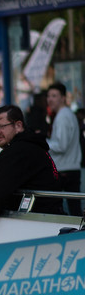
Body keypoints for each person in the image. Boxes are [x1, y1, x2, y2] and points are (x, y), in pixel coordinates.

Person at [0, 104, 64, 246]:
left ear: (18, 126)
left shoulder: (20, 150)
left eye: (2, 126)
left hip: (39, 227)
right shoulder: (18, 148)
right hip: (39, 224)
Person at [46, 82, 82, 215]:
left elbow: (61, 145)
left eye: (54, 96)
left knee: (57, 208)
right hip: (70, 168)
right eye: (49, 96)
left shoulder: (63, 117)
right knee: (74, 209)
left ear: (63, 97)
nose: (50, 99)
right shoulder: (66, 114)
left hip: (64, 169)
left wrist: (43, 142)